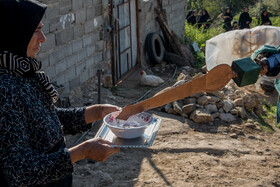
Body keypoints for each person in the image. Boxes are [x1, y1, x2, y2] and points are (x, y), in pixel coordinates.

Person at [0, 0, 120, 186]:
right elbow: (20, 170)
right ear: (14, 33)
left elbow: (45, 119)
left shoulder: (23, 71)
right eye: (35, 30)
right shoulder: (5, 89)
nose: (43, 38)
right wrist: (82, 151)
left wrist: (97, 112)